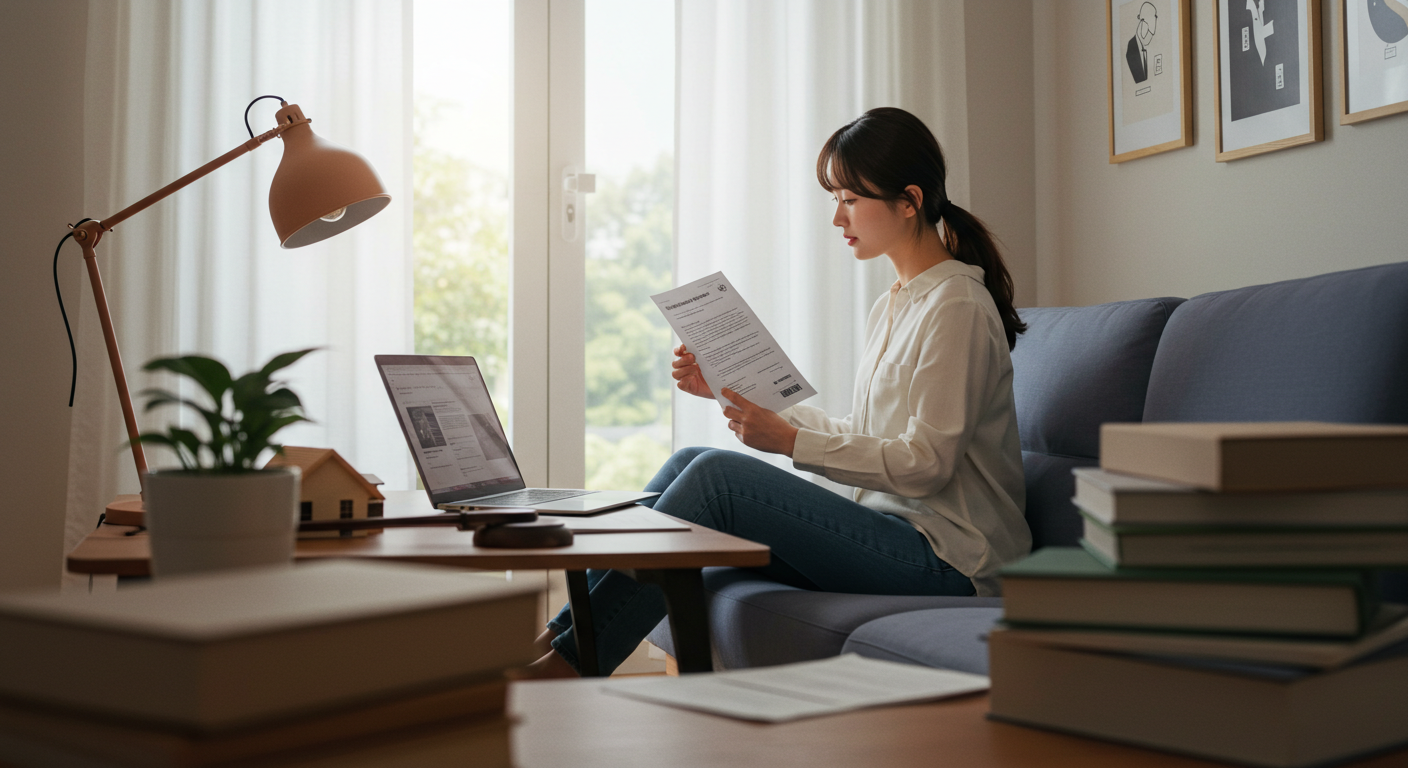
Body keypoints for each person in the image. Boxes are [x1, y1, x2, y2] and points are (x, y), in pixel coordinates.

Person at [525, 106, 1030, 679]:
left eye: (850, 199)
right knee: (689, 461)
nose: (838, 217)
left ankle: (566, 665)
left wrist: (789, 442)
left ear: (909, 200)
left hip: (951, 561)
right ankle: (553, 639)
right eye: (833, 198)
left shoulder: (956, 306)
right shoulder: (896, 301)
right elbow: (866, 438)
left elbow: (926, 466)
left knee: (716, 477)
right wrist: (733, 395)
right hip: (894, 535)